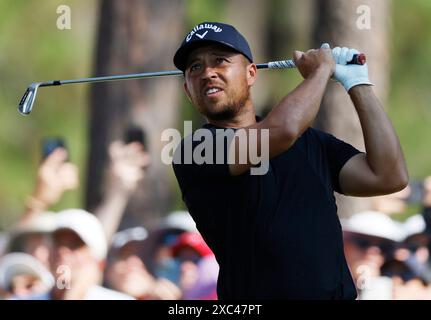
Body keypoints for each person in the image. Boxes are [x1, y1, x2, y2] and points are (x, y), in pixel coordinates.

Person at [171, 21, 409, 299]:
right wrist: (320, 71)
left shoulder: (311, 142)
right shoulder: (195, 150)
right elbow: (282, 130)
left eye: (220, 61)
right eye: (195, 67)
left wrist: (358, 83)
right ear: (188, 90)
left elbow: (388, 176)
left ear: (251, 73)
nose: (207, 73)